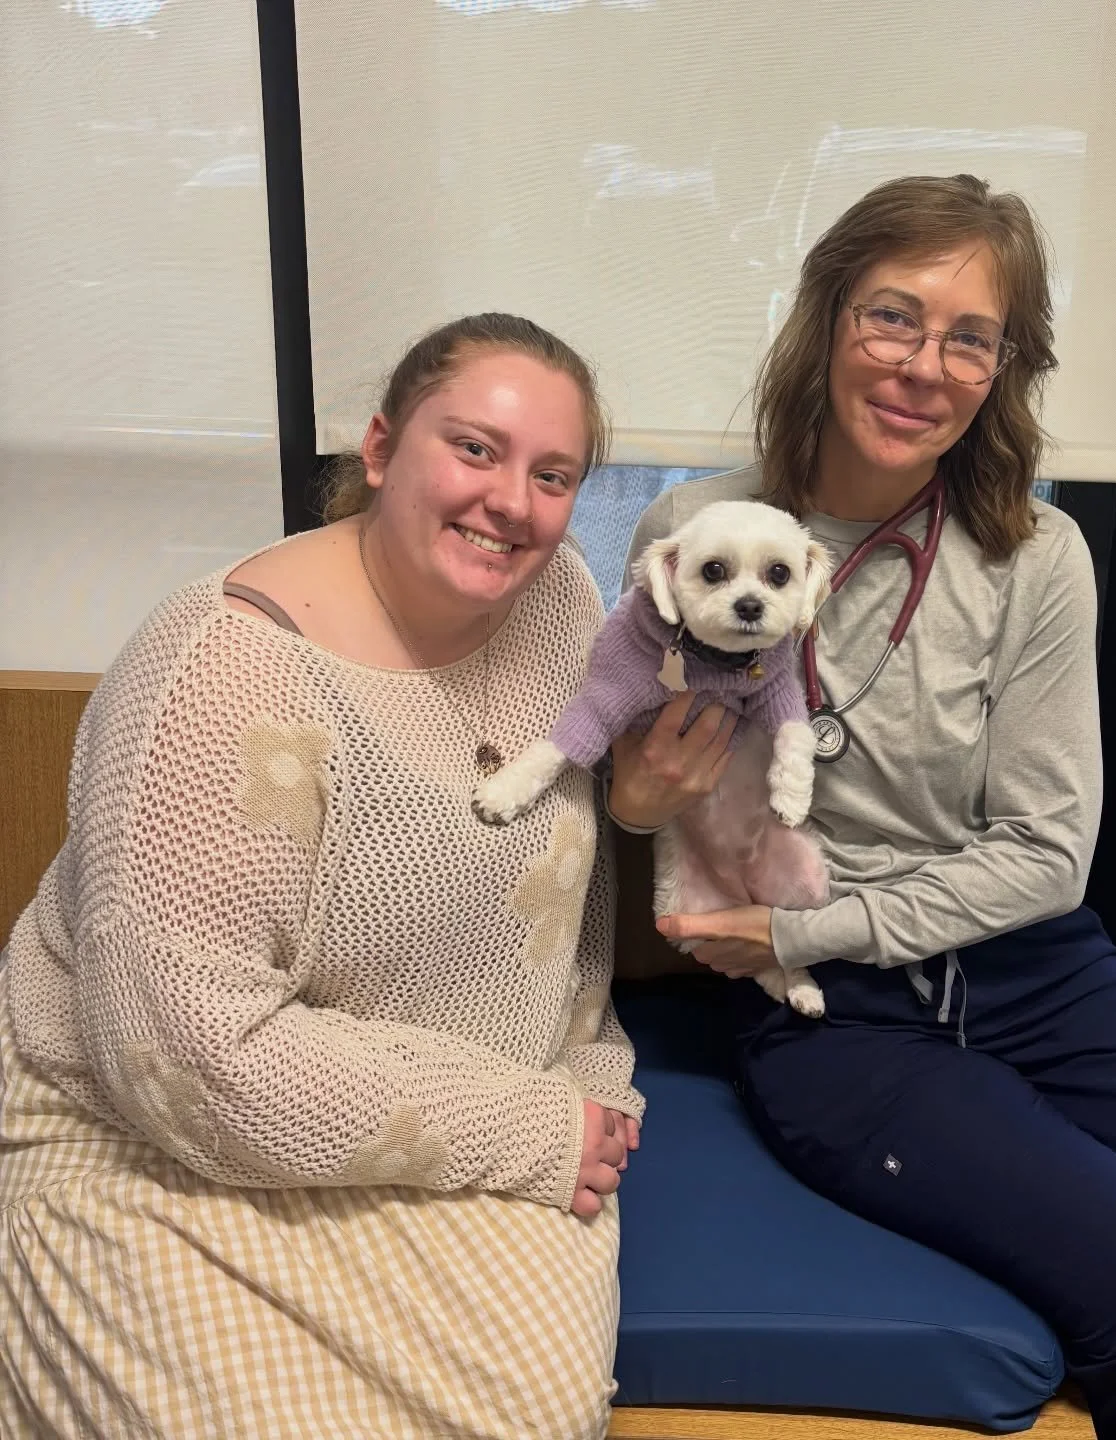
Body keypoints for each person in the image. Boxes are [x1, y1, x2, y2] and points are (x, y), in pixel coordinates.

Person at [611, 176, 1116, 1440]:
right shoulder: (693, 533)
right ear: (823, 317)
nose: (927, 365)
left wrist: (803, 930)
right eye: (893, 318)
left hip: (1032, 978)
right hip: (836, 1026)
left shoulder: (1034, 554)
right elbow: (638, 797)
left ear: (1005, 369)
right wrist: (635, 804)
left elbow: (1044, 859)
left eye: (973, 337)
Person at [0, 314, 644, 1439]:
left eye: (554, 475)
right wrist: (536, 1130)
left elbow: (574, 868)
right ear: (383, 448)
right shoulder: (223, 676)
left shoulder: (561, 601)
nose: (513, 503)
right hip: (155, 1130)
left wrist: (566, 1077)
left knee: (538, 1410)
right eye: (476, 449)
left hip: (470, 1104)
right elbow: (188, 1059)